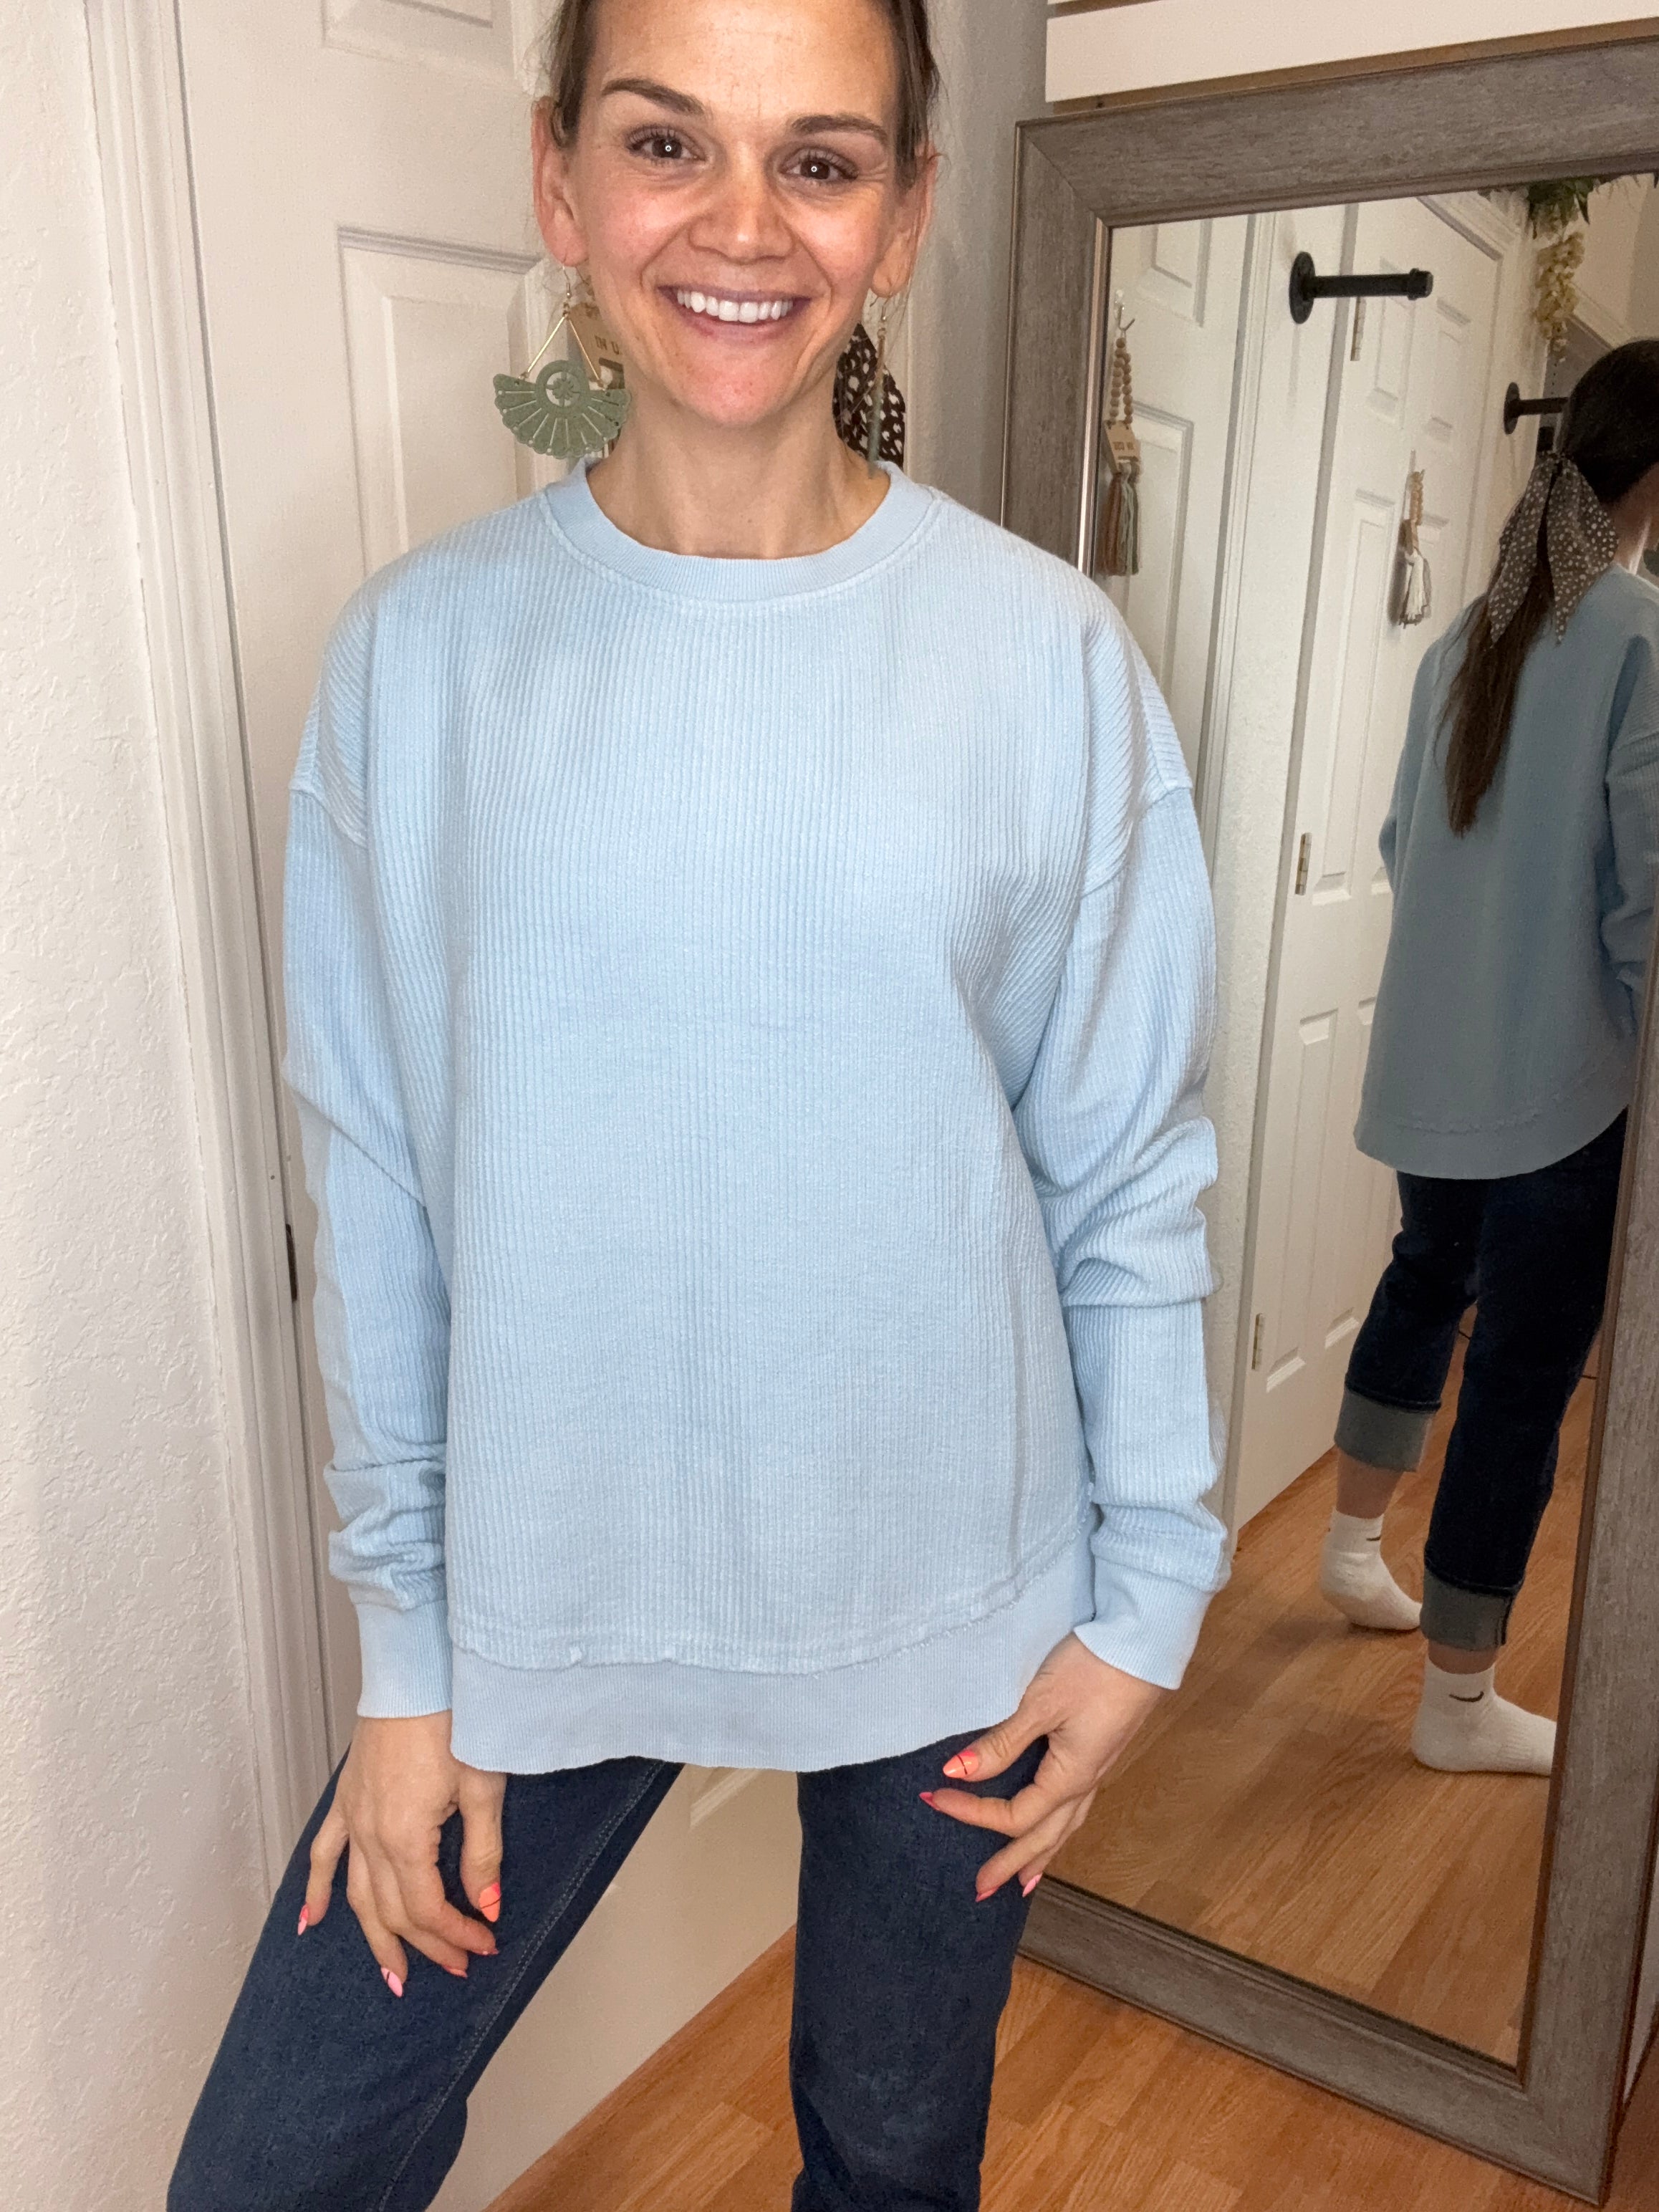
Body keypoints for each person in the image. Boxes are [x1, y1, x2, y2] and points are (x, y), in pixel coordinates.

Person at [168, 1, 1228, 2205]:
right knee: (278, 2163)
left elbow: (1120, 1169)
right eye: (668, 143)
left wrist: (1148, 1598)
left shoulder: (1041, 663)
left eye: (818, 161)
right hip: (540, 1592)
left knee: (890, 2154)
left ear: (903, 215)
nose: (742, 224)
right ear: (558, 179)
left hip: (958, 1606)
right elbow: (378, 1186)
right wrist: (405, 1658)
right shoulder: (419, 663)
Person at [1319, 341, 1659, 1778]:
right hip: (1562, 1079)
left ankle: (1349, 1551)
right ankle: (1456, 1706)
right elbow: (1647, 890)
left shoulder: (1475, 626)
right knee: (1521, 1374)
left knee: (1422, 1283)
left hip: (1437, 1063)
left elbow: (1406, 839)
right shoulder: (1634, 631)